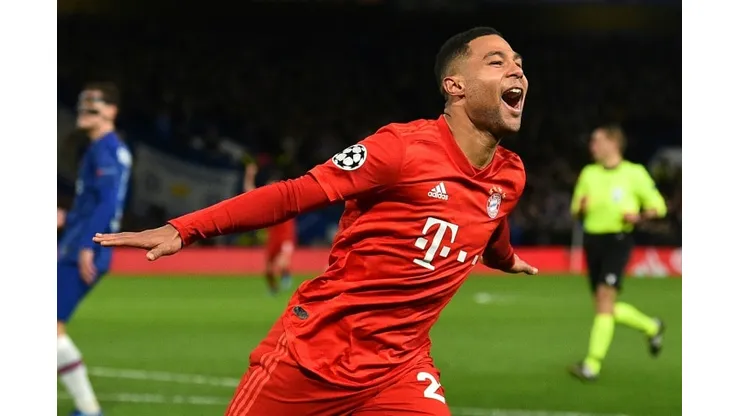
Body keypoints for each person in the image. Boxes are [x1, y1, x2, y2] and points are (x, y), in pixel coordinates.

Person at [94, 27, 537, 416]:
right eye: (496, 61)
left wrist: (505, 258)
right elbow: (292, 194)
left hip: (400, 367)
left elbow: (490, 219)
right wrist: (185, 228)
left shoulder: (509, 175)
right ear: (455, 86)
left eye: (518, 62)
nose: (516, 70)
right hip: (317, 355)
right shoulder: (400, 149)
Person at [568, 124, 667, 382]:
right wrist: (581, 207)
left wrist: (640, 216)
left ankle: (592, 365)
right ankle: (652, 326)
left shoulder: (634, 173)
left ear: (613, 143)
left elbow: (659, 207)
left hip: (618, 240)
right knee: (604, 306)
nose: (592, 146)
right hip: (592, 241)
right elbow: (575, 210)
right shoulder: (589, 173)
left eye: (597, 141)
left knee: (604, 300)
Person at [57, 82, 133, 416]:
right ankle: (87, 409)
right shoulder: (107, 149)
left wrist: (89, 244)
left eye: (93, 105)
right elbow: (98, 203)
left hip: (82, 249)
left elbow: (107, 203)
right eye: (82, 104)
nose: (84, 110)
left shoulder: (105, 149)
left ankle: (88, 409)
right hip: (78, 242)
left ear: (111, 111)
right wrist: (67, 217)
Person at [243, 163, 297, 294]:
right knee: (268, 271)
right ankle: (274, 289)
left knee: (282, 263)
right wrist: (249, 175)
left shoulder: (286, 200)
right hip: (273, 239)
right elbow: (250, 194)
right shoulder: (267, 204)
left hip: (286, 237)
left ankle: (286, 278)